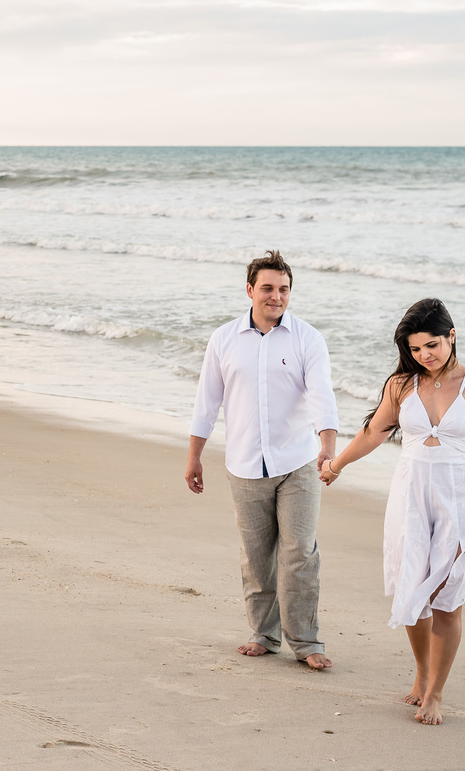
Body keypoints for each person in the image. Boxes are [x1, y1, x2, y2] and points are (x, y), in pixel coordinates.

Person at [319, 298, 465, 725]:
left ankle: (436, 693)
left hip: (460, 503)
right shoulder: (402, 384)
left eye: (433, 345)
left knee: (448, 599)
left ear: (452, 335)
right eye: (417, 349)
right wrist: (336, 465)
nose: (425, 356)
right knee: (412, 590)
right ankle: (422, 672)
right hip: (409, 500)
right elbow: (372, 433)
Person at [185, 251, 339, 669]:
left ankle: (306, 642)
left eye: (284, 289)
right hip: (245, 464)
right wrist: (194, 457)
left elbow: (322, 395)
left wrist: (328, 445)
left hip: (299, 462)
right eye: (268, 288)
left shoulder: (308, 338)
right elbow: (207, 403)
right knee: (256, 556)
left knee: (300, 552)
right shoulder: (223, 340)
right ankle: (264, 635)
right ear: (250, 290)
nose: (276, 297)